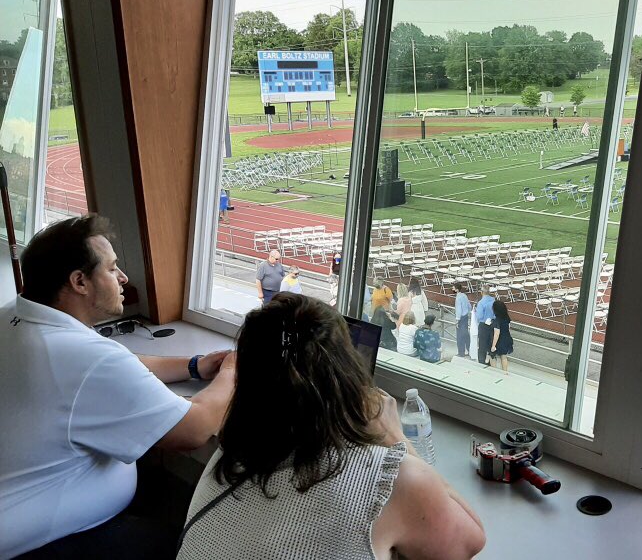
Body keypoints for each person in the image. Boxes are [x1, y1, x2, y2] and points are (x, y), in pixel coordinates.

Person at [176, 294, 485, 560]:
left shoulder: (230, 454)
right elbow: (469, 543)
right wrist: (396, 440)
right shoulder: (388, 480)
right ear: (349, 372)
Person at [0, 215, 235, 560]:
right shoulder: (83, 358)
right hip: (42, 544)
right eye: (111, 269)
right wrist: (233, 371)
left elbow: (120, 362)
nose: (124, 277)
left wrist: (194, 365)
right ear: (79, 281)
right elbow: (195, 430)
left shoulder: (15, 317)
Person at [489, 300, 514, 374]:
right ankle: (505, 373)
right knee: (504, 357)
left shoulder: (497, 320)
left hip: (499, 340)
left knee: (492, 356)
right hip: (506, 338)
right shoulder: (506, 317)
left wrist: (493, 346)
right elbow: (508, 327)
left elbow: (497, 334)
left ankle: (494, 372)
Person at [474, 285, 496, 365]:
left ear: (481, 292)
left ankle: (482, 362)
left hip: (483, 325)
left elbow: (479, 316)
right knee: (491, 343)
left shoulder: (481, 303)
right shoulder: (493, 300)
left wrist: (475, 311)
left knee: (482, 345)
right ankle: (491, 361)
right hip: (492, 324)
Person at [453, 283, 472, 358]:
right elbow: (469, 306)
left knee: (460, 336)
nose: (452, 289)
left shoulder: (458, 298)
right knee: (466, 335)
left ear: (457, 289)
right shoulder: (464, 295)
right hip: (465, 317)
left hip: (460, 318)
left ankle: (461, 352)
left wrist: (457, 320)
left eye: (453, 288)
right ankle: (469, 350)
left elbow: (458, 310)